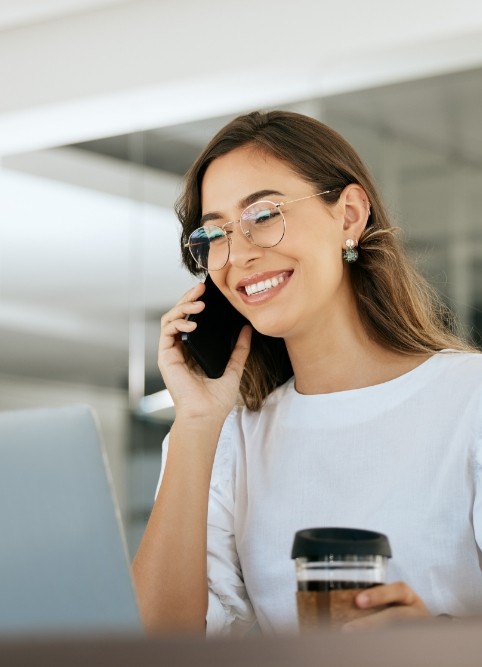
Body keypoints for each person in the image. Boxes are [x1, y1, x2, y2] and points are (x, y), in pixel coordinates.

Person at [132, 110, 482, 636]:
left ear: (349, 215)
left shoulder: (468, 399)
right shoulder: (224, 438)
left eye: (264, 215)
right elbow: (156, 644)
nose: (239, 254)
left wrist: (440, 640)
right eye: (214, 234)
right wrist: (197, 424)